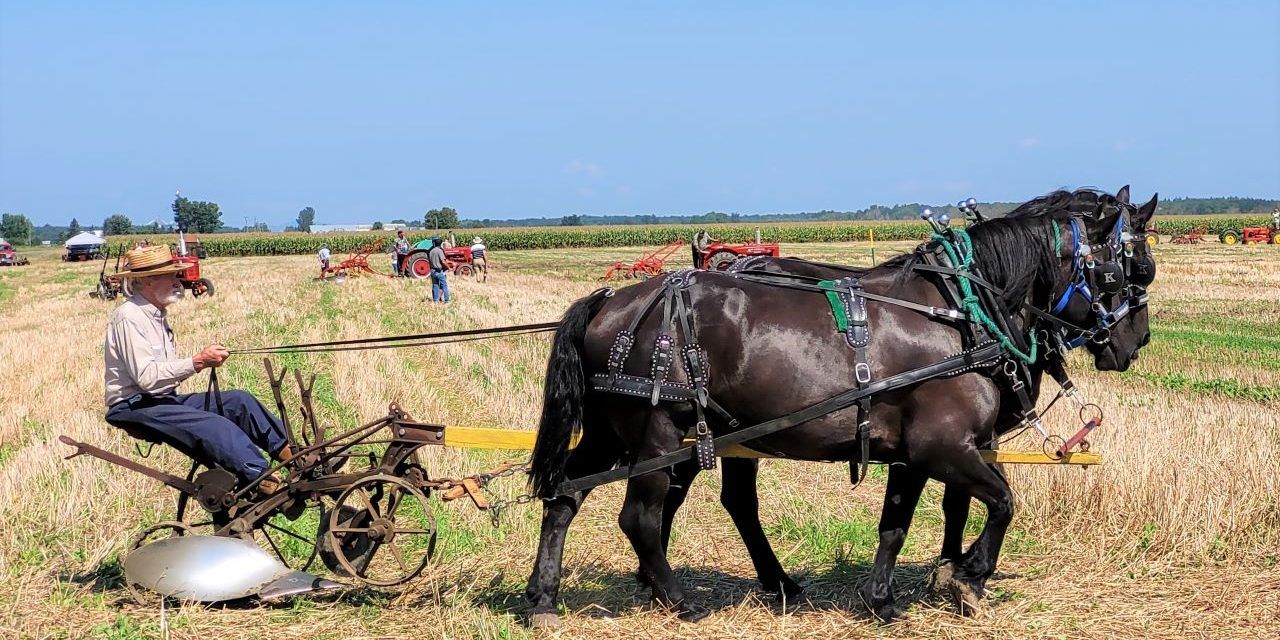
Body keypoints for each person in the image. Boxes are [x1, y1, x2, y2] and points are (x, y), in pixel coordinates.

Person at [103, 244, 292, 491]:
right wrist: (199, 361)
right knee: (214, 425)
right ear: (148, 280)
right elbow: (147, 378)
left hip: (161, 400)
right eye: (171, 275)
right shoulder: (129, 317)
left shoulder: (156, 315)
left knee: (239, 401)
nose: (177, 281)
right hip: (134, 405)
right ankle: (264, 480)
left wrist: (202, 359)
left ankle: (296, 458)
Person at [428, 237, 451, 302]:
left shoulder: (431, 251)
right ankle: (447, 300)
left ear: (434, 243)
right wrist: (448, 267)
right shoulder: (439, 251)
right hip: (439, 271)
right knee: (444, 285)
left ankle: (436, 300)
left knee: (435, 285)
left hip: (432, 270)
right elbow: (443, 261)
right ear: (441, 244)